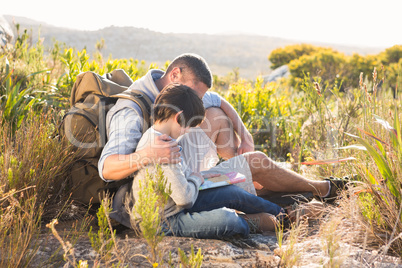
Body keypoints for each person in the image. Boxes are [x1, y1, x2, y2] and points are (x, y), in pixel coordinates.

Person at [98, 53, 344, 226]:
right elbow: (107, 167)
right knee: (233, 189)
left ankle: (325, 189)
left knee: (251, 155)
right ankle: (267, 204)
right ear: (175, 75)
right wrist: (146, 155)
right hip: (163, 200)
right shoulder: (129, 112)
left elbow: (216, 99)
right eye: (195, 95)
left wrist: (244, 135)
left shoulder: (179, 95)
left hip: (185, 176)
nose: (199, 100)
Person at [131, 83, 286, 238]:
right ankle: (255, 223)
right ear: (178, 118)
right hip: (163, 220)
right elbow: (184, 199)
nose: (187, 131)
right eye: (189, 127)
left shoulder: (162, 137)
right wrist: (196, 178)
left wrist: (200, 177)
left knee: (233, 193)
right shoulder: (164, 148)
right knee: (229, 220)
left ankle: (282, 214)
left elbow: (180, 180)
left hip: (176, 203)